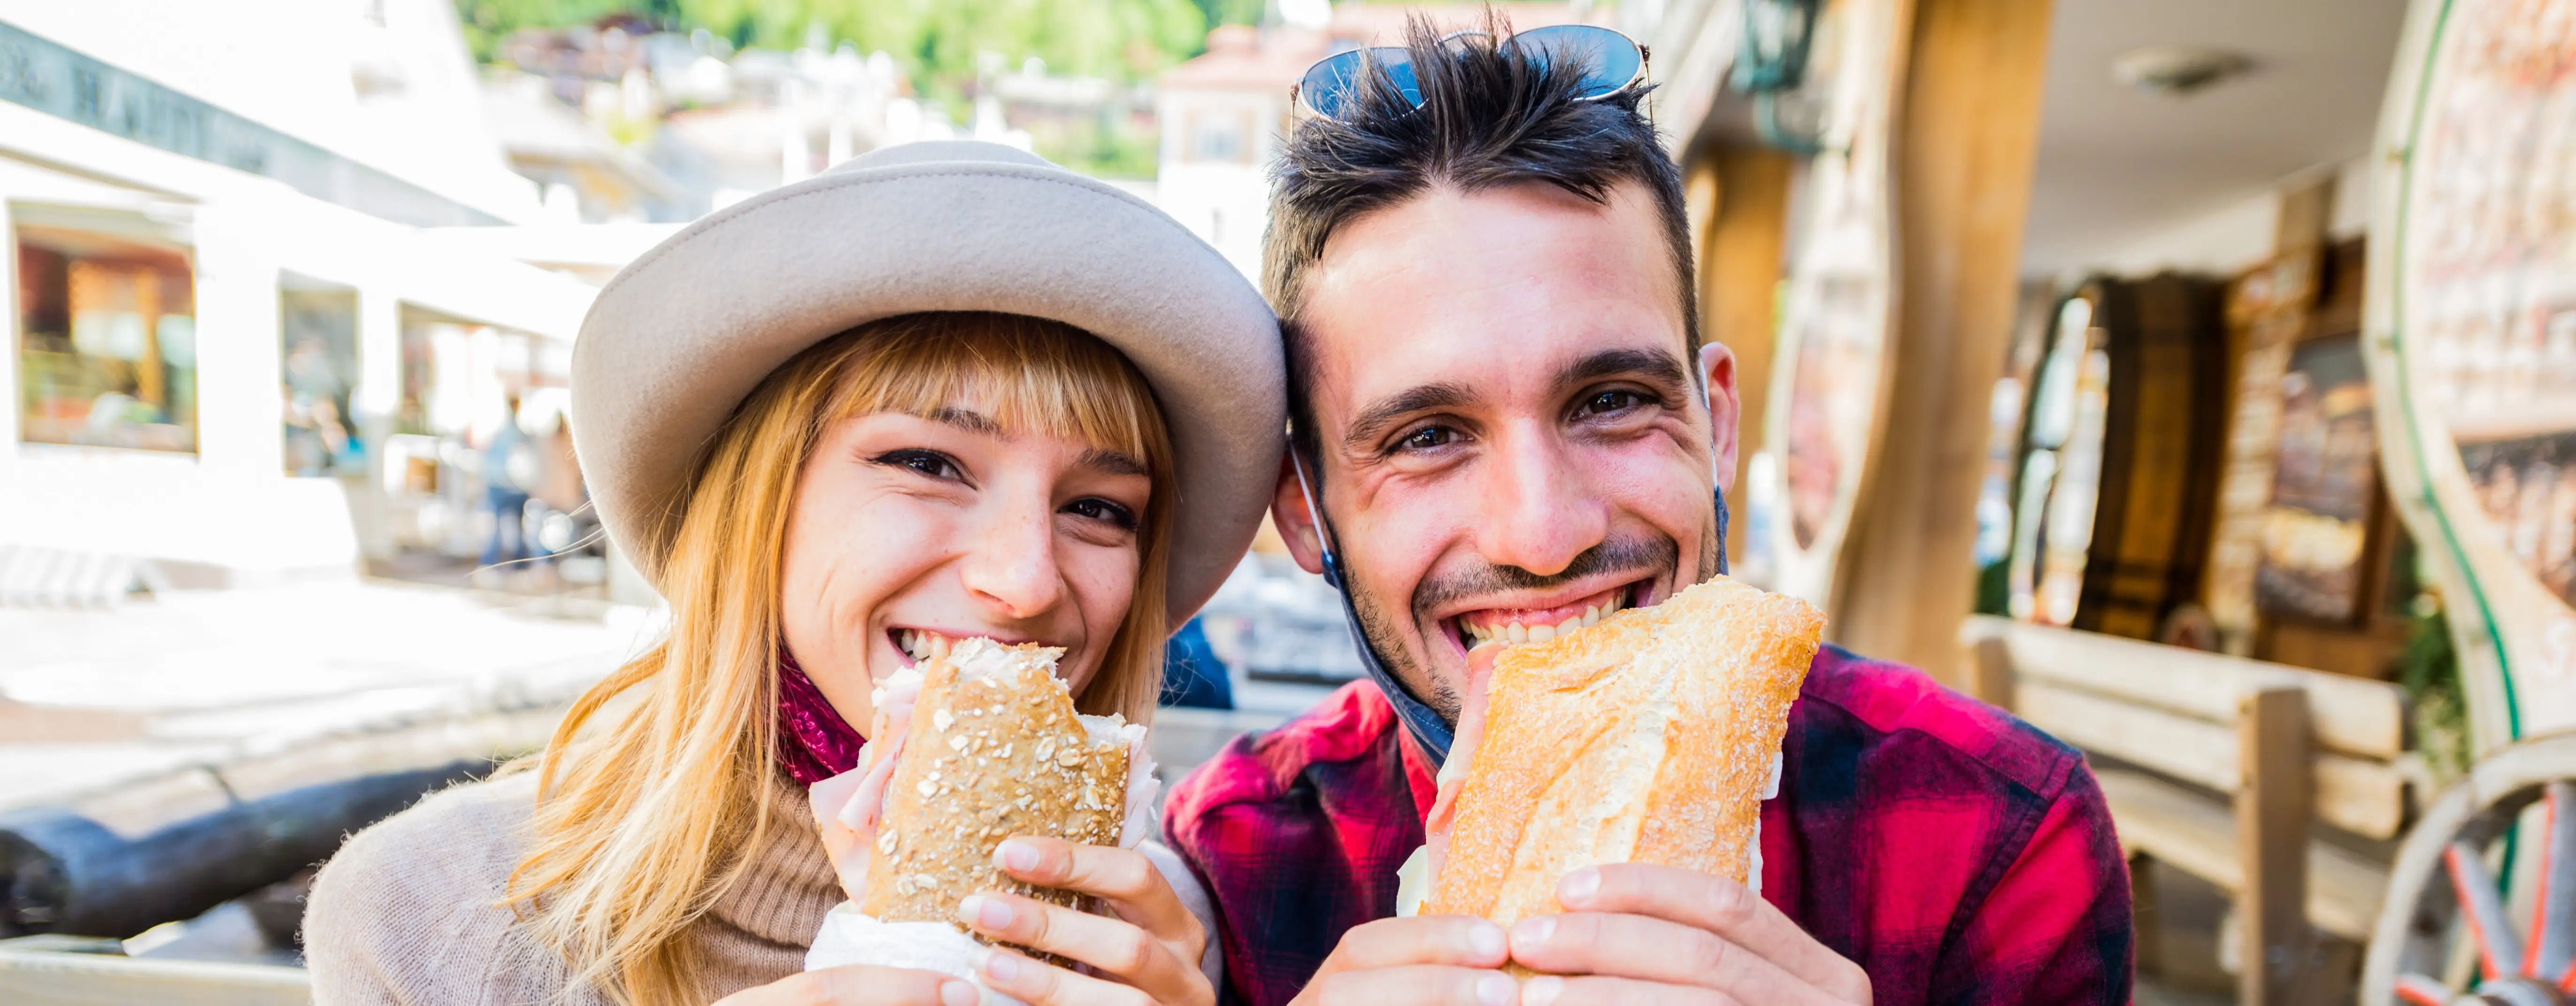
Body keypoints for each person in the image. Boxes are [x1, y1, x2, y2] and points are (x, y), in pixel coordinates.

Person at [1161, 20, 2134, 1006]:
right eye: (1425, 437)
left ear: (1714, 425)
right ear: (1303, 509)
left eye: (1611, 401)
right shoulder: (1225, 873)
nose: (1542, 535)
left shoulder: (1995, 833)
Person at [305, 141, 1285, 1006]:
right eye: (929, 465)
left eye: (1098, 508)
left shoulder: (1154, 931)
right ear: (757, 504)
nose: (1025, 582)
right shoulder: (436, 915)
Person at [481, 392, 533, 568]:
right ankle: (519, 566)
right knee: (518, 529)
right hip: (515, 488)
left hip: (497, 486)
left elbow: (488, 463)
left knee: (496, 529)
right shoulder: (521, 435)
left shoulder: (499, 434)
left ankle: (490, 564)